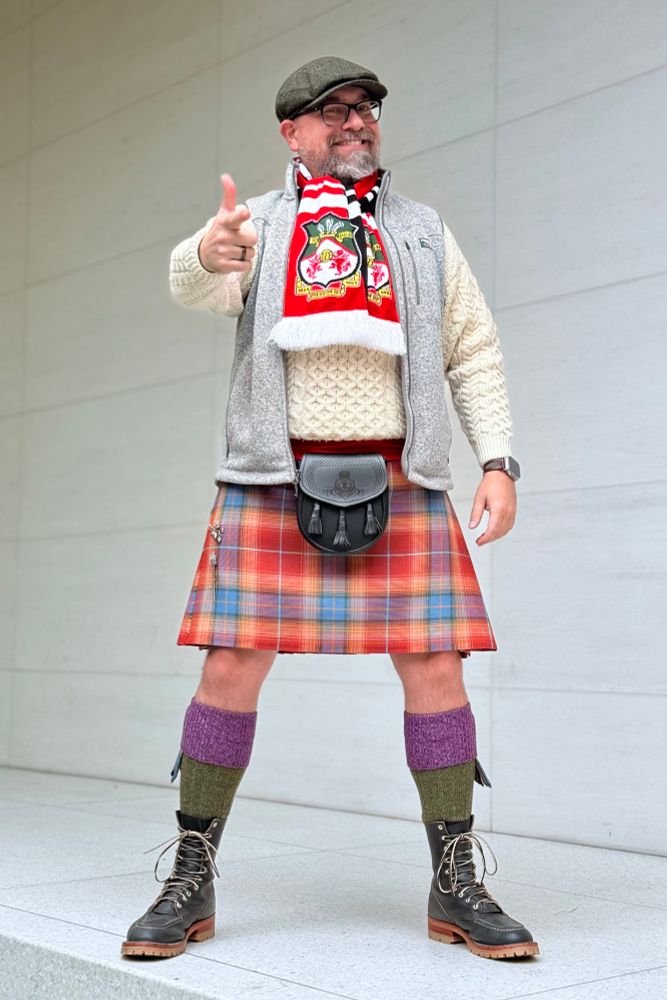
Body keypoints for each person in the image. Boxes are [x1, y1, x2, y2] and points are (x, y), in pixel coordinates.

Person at [121, 55, 539, 963]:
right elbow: (198, 285)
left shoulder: (423, 232)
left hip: (402, 477)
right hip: (272, 475)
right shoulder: (259, 226)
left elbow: (473, 350)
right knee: (229, 667)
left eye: (366, 108)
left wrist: (497, 460)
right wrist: (207, 251)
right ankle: (189, 872)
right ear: (293, 132)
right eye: (332, 110)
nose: (356, 121)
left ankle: (454, 879)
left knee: (437, 669)